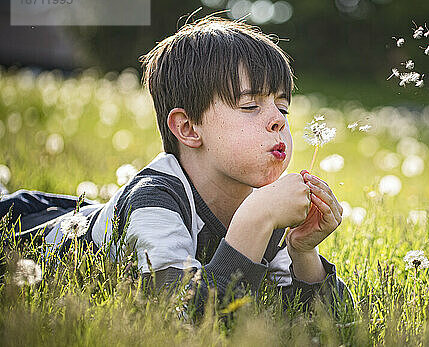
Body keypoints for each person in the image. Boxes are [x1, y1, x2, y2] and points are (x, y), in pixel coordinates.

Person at [0, 17, 353, 316]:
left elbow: (322, 318)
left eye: (283, 108)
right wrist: (255, 221)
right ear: (187, 128)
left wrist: (303, 252)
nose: (277, 120)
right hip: (21, 226)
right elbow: (179, 311)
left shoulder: (266, 206)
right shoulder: (154, 201)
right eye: (250, 106)